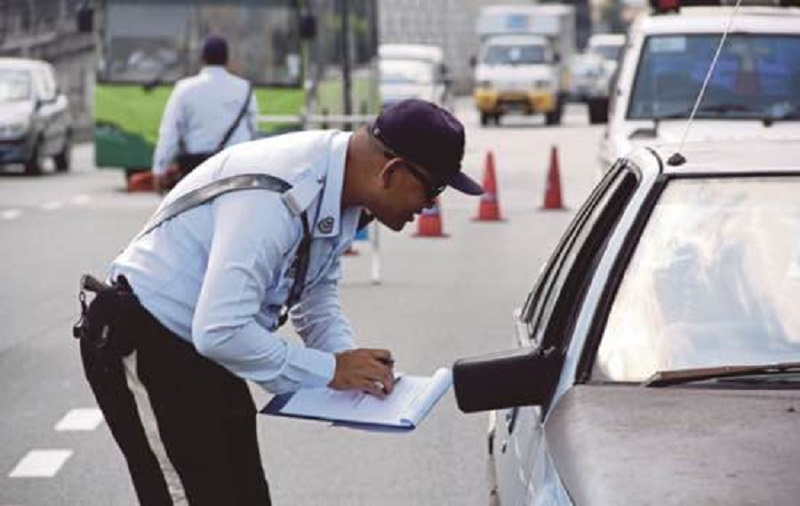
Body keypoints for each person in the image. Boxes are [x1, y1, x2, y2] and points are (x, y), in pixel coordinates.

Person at [76, 98, 483, 505]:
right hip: (147, 340)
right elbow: (219, 330)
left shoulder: (340, 190)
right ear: (391, 170)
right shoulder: (279, 193)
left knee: (247, 495)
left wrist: (352, 371)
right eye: (434, 188)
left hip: (204, 348)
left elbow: (315, 297)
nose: (431, 205)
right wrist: (332, 370)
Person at [152, 35, 258, 192]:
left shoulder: (184, 89)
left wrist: (159, 169)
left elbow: (170, 133)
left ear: (202, 58)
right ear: (227, 59)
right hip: (237, 169)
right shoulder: (245, 89)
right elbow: (253, 130)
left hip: (198, 171)